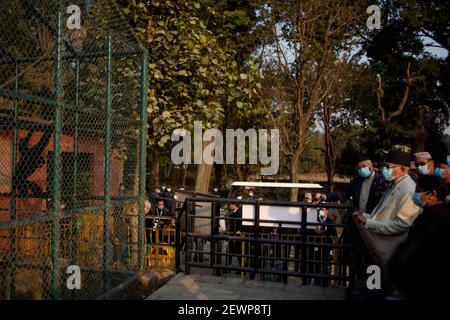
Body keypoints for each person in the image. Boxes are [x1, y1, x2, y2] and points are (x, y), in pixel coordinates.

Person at [353, 148, 422, 258]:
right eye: (384, 166)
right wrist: (364, 216)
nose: (384, 169)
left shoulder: (408, 189)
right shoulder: (393, 185)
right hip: (378, 248)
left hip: (389, 251)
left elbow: (401, 225)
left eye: (388, 167)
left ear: (402, 170)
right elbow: (381, 215)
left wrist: (368, 222)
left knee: (379, 275)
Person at [320, 155, 385, 214]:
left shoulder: (381, 180)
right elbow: (342, 193)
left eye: (364, 166)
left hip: (374, 221)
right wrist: (324, 197)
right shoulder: (356, 181)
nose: (361, 169)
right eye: (359, 168)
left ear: (371, 165)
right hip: (359, 221)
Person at [408, 175, 450, 241]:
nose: (414, 194)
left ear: (432, 194)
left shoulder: (436, 215)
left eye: (418, 191)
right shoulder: (432, 210)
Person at [226, 201, 243, 267]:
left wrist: (240, 230)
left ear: (234, 205)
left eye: (231, 204)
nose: (230, 206)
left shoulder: (238, 212)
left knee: (238, 250)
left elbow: (240, 223)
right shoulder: (235, 212)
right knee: (231, 250)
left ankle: (241, 267)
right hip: (234, 233)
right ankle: (228, 265)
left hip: (236, 233)